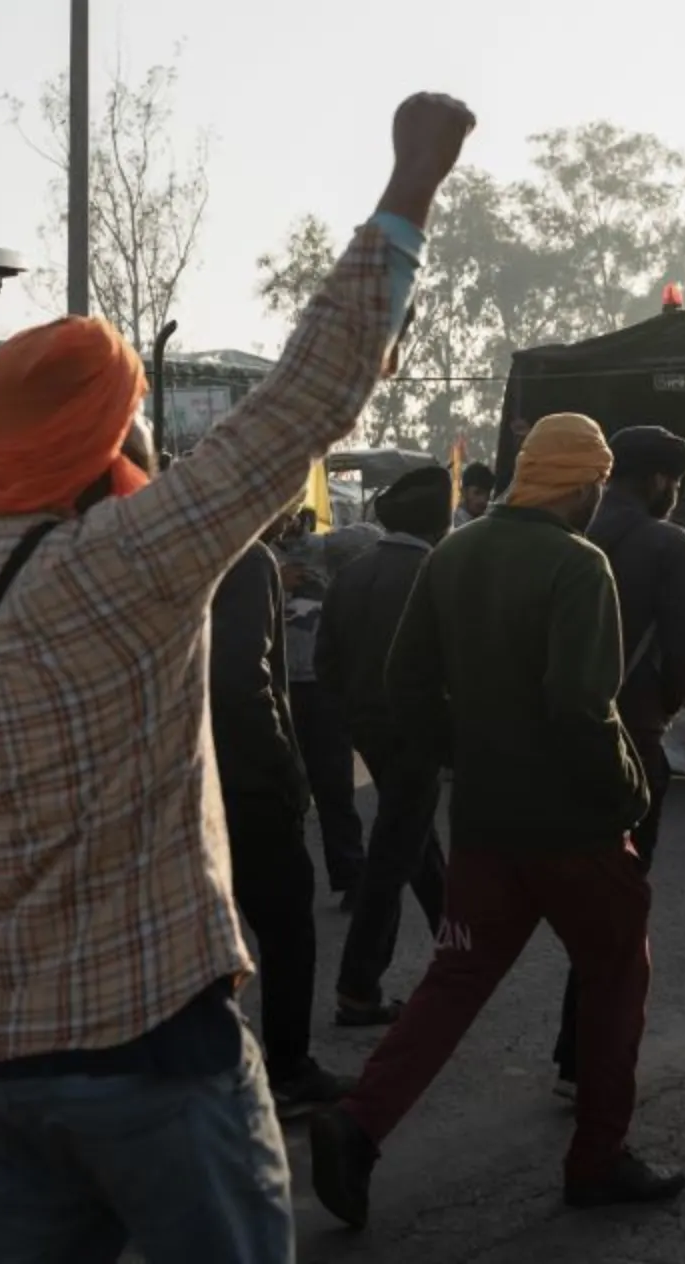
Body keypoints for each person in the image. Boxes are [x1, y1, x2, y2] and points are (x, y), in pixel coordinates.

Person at [0, 91, 476, 1264]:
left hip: (0, 1064)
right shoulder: (130, 557)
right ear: (106, 434)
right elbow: (306, 398)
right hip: (155, 1051)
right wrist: (413, 181)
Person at [311, 413, 685, 1231]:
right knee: (617, 976)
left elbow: (403, 682)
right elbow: (583, 709)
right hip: (577, 831)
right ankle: (597, 1158)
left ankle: (359, 1121)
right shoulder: (578, 566)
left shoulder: (456, 552)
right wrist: (629, 795)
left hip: (485, 825)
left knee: (454, 983)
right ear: (583, 486)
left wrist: (464, 753)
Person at [550, 424, 685, 1096]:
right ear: (659, 480)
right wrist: (658, 711)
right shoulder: (668, 543)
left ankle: (571, 1052)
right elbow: (683, 652)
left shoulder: (561, 534)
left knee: (557, 905)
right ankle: (589, 1068)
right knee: (617, 913)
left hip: (551, 739)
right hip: (630, 744)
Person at [209, 537, 350, 1114]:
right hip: (244, 783)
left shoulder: (142, 547)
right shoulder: (241, 556)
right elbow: (241, 679)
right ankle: (288, 1070)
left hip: (178, 781)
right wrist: (286, 769)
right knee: (288, 924)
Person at [319, 465, 452, 1027]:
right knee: (393, 853)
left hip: (367, 730)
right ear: (441, 522)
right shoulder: (436, 573)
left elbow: (326, 662)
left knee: (412, 836)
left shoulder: (353, 573)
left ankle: (459, 943)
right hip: (418, 733)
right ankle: (358, 987)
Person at [272, 512, 367, 900]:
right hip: (277, 688)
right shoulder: (256, 556)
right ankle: (288, 887)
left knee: (335, 787)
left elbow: (372, 536)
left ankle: (351, 874)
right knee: (282, 793)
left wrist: (316, 537)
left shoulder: (326, 549)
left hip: (322, 686)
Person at [451, 461, 495, 528]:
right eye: (477, 493)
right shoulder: (452, 526)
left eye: (487, 494)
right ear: (464, 492)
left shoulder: (487, 522)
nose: (483, 500)